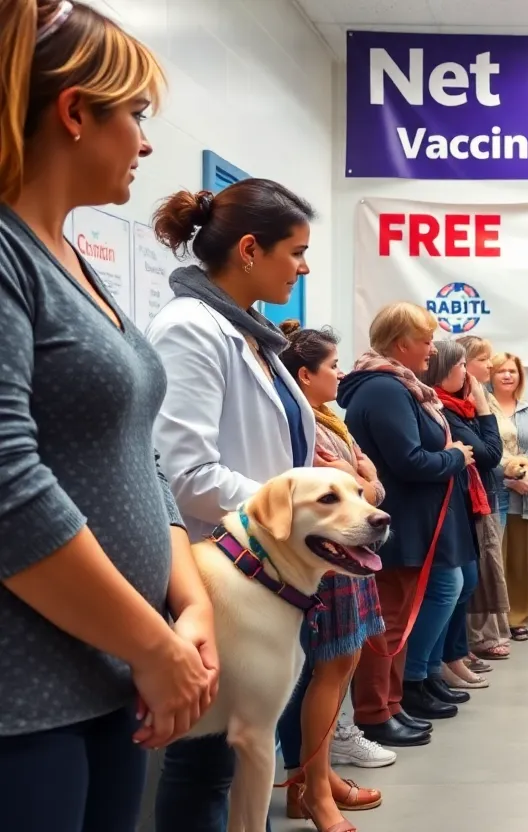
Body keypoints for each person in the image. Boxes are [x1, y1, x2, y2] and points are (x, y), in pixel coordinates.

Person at [0, 3, 213, 827]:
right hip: (27, 699)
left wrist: (187, 604)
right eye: (135, 116)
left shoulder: (76, 264)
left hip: (110, 674)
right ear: (75, 114)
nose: (147, 142)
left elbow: (141, 459)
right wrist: (156, 645)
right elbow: (9, 488)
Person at [148, 175, 318, 831]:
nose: (301, 268)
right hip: (219, 575)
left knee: (244, 752)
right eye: (296, 252)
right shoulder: (190, 330)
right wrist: (296, 507)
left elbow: (276, 449)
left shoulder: (253, 334)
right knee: (208, 763)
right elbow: (183, 473)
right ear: (250, 249)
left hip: (262, 579)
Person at [340, 302, 476, 732]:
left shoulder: (400, 386)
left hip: (412, 522)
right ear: (402, 344)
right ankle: (376, 713)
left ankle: (394, 703)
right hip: (397, 524)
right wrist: (454, 457)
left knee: (399, 619)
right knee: (388, 623)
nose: (432, 350)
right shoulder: (385, 389)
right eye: (426, 341)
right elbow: (411, 461)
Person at [278, 322, 393, 828]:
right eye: (331, 367)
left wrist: (364, 480)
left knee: (336, 672)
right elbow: (361, 491)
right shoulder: (308, 430)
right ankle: (314, 791)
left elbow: (371, 484)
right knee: (327, 673)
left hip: (347, 559)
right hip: (329, 563)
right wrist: (363, 482)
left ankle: (313, 781)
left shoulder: (331, 423)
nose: (339, 373)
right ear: (305, 375)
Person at [422, 340, 503, 689]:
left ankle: (451, 657)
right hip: (456, 505)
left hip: (469, 500)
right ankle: (436, 664)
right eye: (461, 366)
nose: (467, 373)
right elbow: (490, 453)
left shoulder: (457, 407)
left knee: (465, 583)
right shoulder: (449, 411)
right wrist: (484, 406)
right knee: (458, 583)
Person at [457, 335, 512, 664]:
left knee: (491, 565)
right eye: (482, 359)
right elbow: (490, 452)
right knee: (474, 572)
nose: (490, 365)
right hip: (475, 495)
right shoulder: (465, 404)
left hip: (491, 490)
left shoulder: (481, 397)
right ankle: (475, 638)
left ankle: (487, 633)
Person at [488, 352, 528, 642]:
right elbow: (485, 454)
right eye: (501, 371)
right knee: (494, 560)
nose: (507, 376)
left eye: (512, 371)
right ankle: (494, 622)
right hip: (495, 493)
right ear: (491, 375)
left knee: (520, 563)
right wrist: (510, 479)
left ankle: (519, 619)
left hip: (526, 495)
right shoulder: (482, 408)